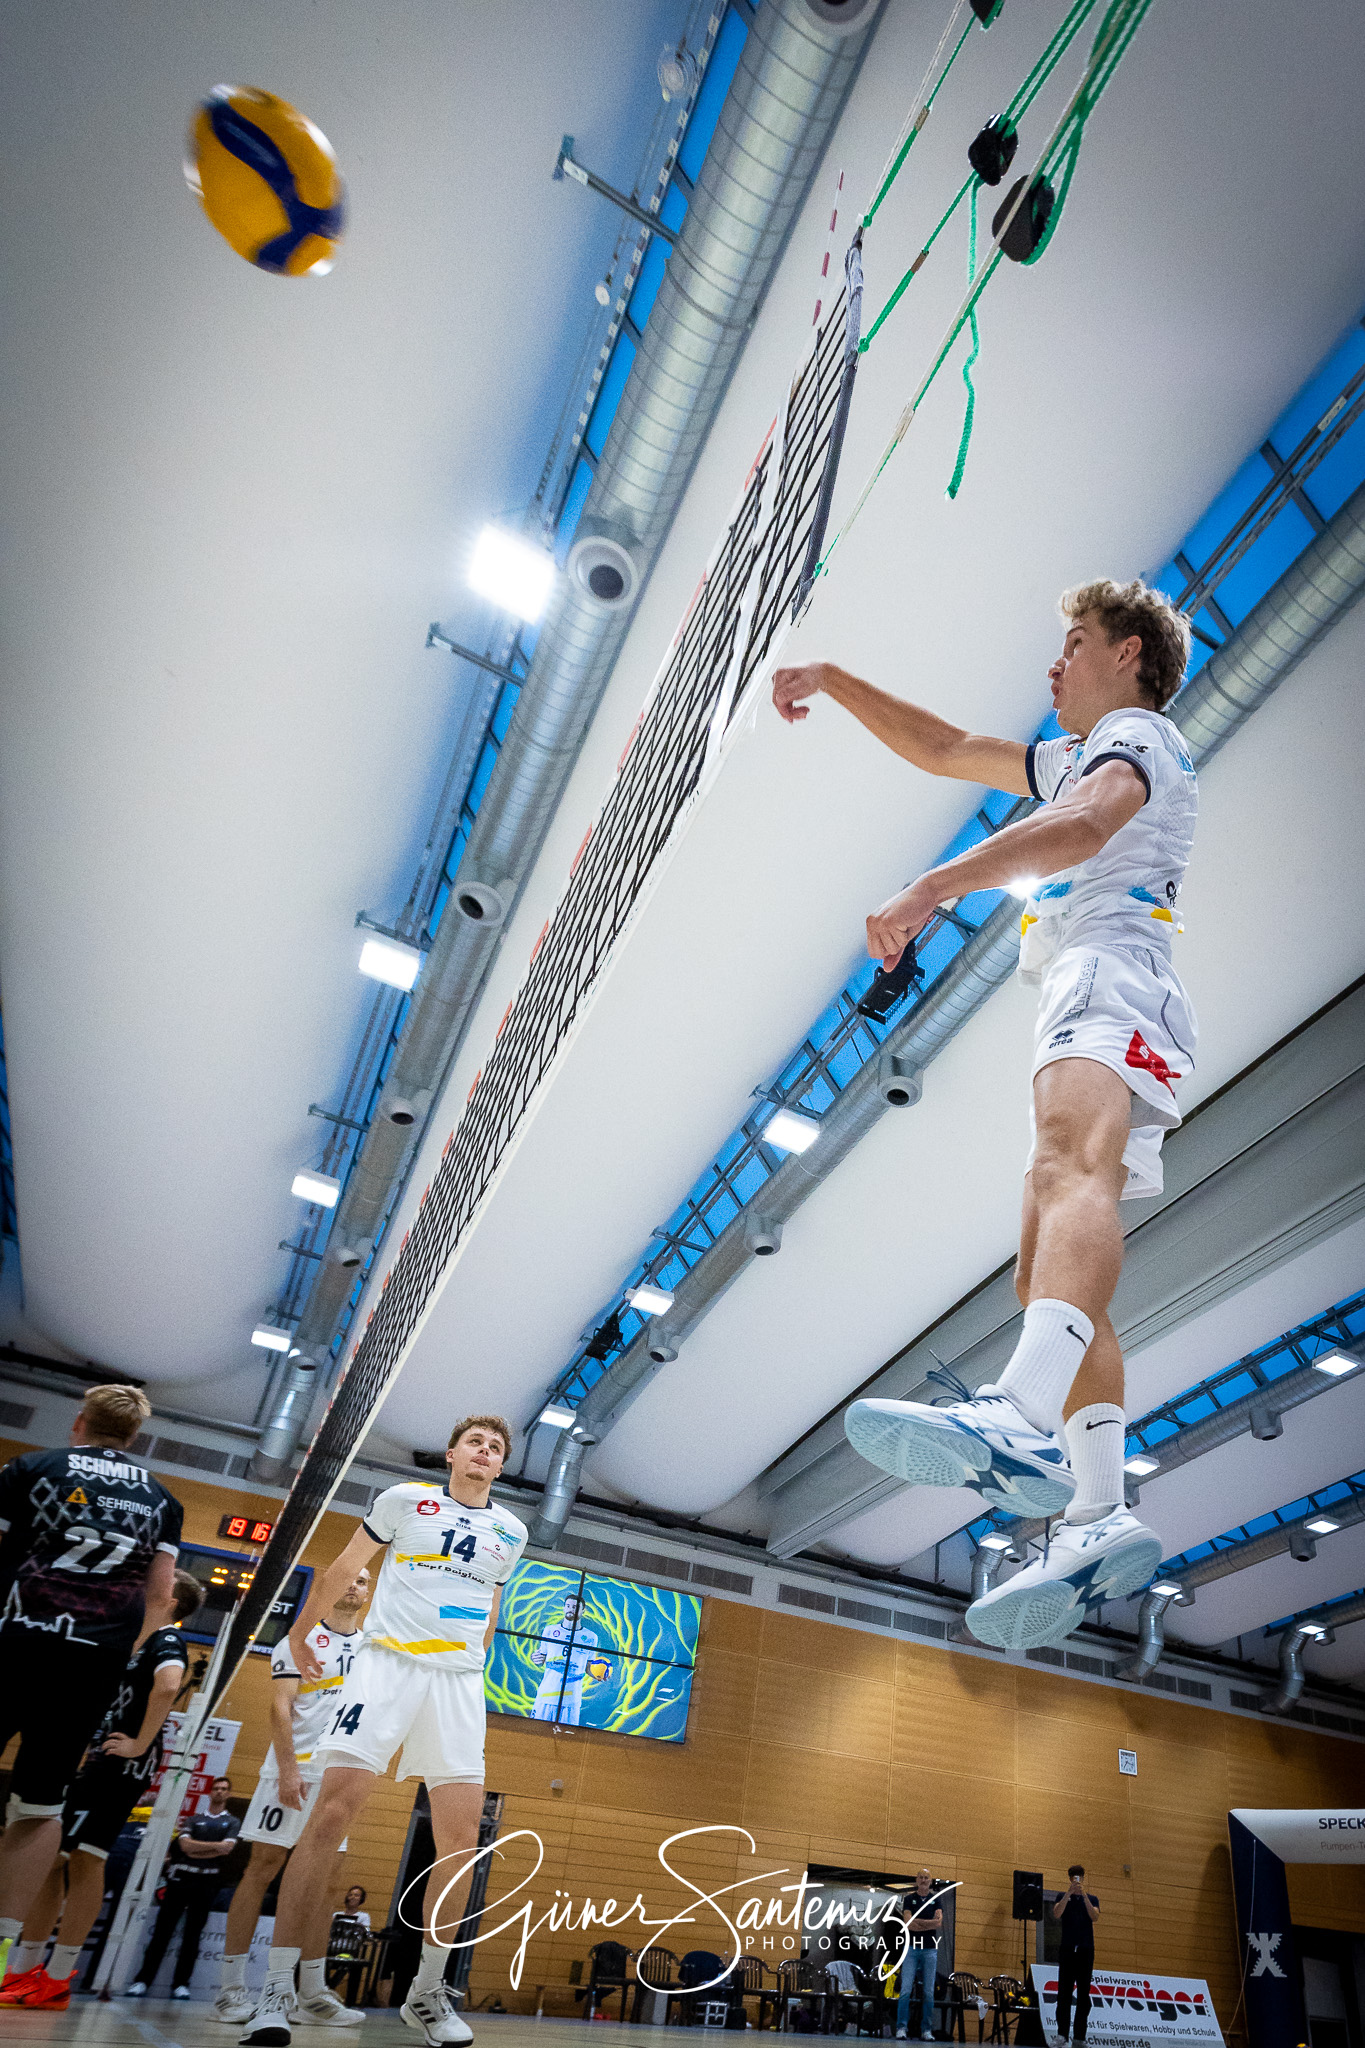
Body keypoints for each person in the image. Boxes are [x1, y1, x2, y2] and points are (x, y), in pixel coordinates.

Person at [773, 580, 1195, 1648]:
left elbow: (1087, 829)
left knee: (1070, 1177)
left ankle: (1021, 1418)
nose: (1055, 665)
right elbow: (947, 743)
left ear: (1129, 653)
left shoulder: (1134, 736)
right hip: (1096, 985)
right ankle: (1097, 1510)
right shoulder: (1071, 753)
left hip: (1114, 970)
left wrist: (931, 885)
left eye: (1075, 644)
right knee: (1045, 1265)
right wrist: (831, 678)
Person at [239, 1416, 527, 2048]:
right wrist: (299, 1629)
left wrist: (476, 1661)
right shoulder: (403, 1501)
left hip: (456, 1685)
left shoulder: (512, 1529)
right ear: (452, 1453)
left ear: (501, 1467)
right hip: (387, 1665)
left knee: (459, 1840)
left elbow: (492, 1608)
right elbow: (345, 1565)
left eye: (496, 1448)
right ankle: (276, 1991)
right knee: (332, 1815)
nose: (485, 1452)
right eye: (476, 1442)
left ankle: (426, 1993)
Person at [0, 1384, 184, 1959]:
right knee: (40, 1808)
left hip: (13, 1641)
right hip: (91, 1662)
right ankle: (4, 1946)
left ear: (80, 1423)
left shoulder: (30, 1468)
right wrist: (121, 1653)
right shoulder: (162, 1502)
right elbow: (160, 1597)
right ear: (134, 1436)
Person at [0, 1566, 204, 2010]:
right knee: (54, 1861)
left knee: (86, 1861)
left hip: (121, 1765)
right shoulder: (129, 1636)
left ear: (171, 1601)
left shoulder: (166, 1638)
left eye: (160, 1583)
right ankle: (26, 1970)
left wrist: (139, 1744)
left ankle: (57, 1977)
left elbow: (168, 1687)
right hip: (97, 1759)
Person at [213, 1569, 372, 2027]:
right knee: (262, 1868)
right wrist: (286, 1770)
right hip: (291, 1770)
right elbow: (279, 1708)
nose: (354, 1587)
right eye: (348, 1579)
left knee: (325, 1883)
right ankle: (231, 1989)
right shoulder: (298, 1642)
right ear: (326, 1587)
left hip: (336, 1776)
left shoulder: (371, 1651)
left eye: (363, 1582)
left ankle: (313, 1993)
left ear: (368, 1594)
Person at [126, 1775, 240, 1997]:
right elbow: (185, 1846)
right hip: (181, 1880)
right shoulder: (194, 1819)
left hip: (207, 1882)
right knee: (162, 1932)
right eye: (216, 1788)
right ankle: (142, 1980)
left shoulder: (232, 1822)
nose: (219, 1792)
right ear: (210, 1792)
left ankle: (181, 1984)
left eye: (224, 1789)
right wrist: (212, 1847)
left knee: (193, 1935)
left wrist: (201, 1848)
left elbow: (227, 1849)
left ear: (228, 1794)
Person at [529, 1593, 607, 1726]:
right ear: (564, 1608)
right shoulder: (549, 1631)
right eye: (568, 1606)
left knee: (566, 1740)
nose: (571, 1609)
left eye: (575, 1607)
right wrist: (535, 1658)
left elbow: (588, 1667)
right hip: (546, 1696)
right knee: (536, 1735)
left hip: (571, 1700)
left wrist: (598, 1675)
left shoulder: (591, 1637)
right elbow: (541, 1657)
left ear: (583, 1610)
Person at [1050, 1867, 1099, 2044]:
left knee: (1084, 1995)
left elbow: (1095, 1916)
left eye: (1079, 1878)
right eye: (1074, 1878)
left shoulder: (1092, 1898)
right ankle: (1062, 2034)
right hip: (1068, 1949)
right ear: (1070, 1879)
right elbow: (1056, 1913)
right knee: (1064, 1993)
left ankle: (1079, 2036)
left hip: (1086, 1950)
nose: (1077, 1881)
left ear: (1083, 1878)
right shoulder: (1062, 1897)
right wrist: (1069, 1894)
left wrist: (1083, 1895)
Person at [895, 1872, 943, 2041]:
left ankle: (926, 2030)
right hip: (911, 1949)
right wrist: (927, 1923)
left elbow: (938, 1922)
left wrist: (918, 1921)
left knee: (929, 1992)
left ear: (930, 1881)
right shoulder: (909, 1899)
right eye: (921, 1877)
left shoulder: (936, 1899)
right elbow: (908, 1923)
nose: (923, 1880)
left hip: (930, 1949)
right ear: (917, 1880)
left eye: (926, 1878)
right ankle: (901, 2027)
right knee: (906, 1990)